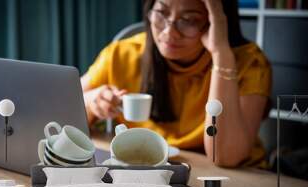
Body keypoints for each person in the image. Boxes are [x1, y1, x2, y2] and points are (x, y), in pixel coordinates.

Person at [81, 0, 272, 168]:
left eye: (189, 20)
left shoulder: (249, 63)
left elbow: (226, 157)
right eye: (161, 13)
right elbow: (58, 116)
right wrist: (91, 103)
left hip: (235, 176)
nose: (169, 32)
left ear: (216, 22)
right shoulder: (121, 55)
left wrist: (221, 53)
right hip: (147, 167)